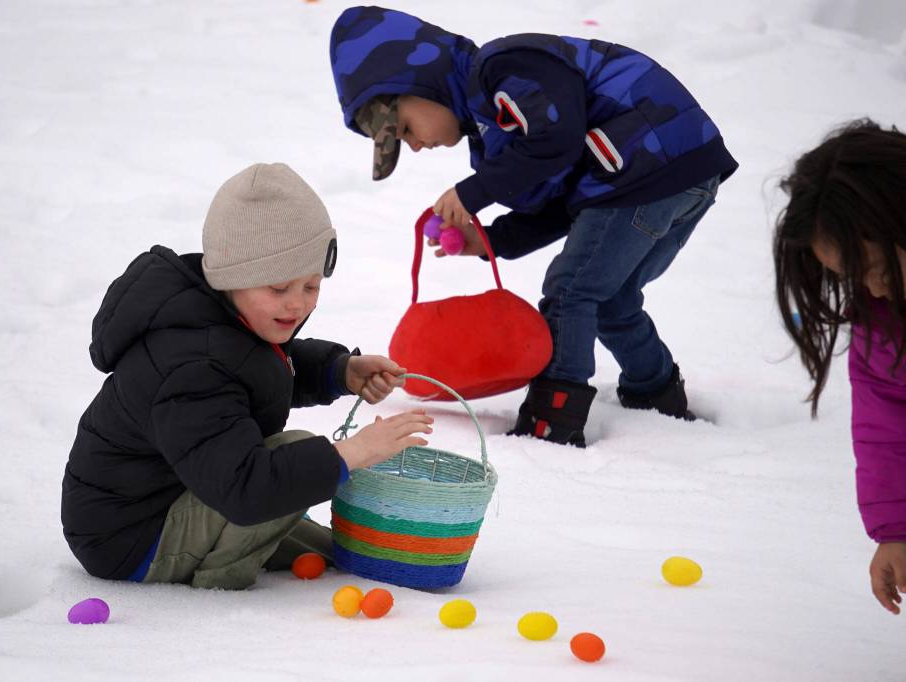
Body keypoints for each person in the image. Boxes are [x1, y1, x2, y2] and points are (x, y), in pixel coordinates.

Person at [329, 6, 738, 447]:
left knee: (570, 290)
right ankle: (657, 396)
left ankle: (553, 422)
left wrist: (475, 191)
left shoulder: (502, 68)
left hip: (650, 154)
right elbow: (564, 207)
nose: (414, 145)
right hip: (675, 170)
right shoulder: (493, 137)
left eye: (405, 128)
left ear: (420, 80)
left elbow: (555, 140)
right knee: (610, 298)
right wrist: (490, 241)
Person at [61, 162, 433, 589]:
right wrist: (353, 453)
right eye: (278, 289)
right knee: (295, 458)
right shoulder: (192, 364)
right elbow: (246, 489)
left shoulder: (227, 319)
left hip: (184, 494)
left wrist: (340, 371)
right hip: (132, 537)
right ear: (231, 278)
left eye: (310, 286)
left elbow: (258, 371)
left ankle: (296, 549)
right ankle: (223, 583)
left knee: (333, 547)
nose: (297, 305)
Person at [773, 119, 906, 614]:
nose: (871, 290)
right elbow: (887, 429)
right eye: (851, 278)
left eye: (874, 269)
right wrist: (897, 528)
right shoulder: (882, 325)